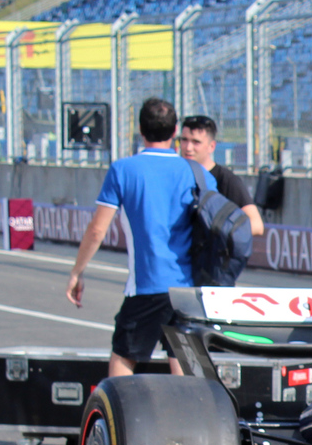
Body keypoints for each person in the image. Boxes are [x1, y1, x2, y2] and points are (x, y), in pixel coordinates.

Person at [66, 97, 215, 378]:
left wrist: (77, 272)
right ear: (174, 133)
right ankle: (187, 420)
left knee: (124, 359)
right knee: (183, 364)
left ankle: (117, 420)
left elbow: (98, 229)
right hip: (189, 287)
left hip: (148, 285)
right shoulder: (197, 173)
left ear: (140, 130)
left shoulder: (123, 170)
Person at [176, 114, 265, 236]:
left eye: (196, 142)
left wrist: (219, 230)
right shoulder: (177, 175)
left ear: (211, 146)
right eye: (184, 140)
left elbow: (257, 225)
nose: (188, 147)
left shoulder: (227, 180)